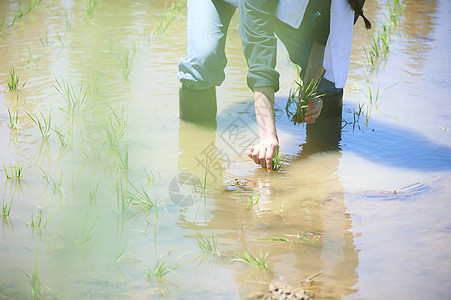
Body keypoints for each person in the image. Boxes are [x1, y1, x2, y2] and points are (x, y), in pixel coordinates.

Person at [177, 0, 370, 171]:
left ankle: (323, 167)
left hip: (282, 5)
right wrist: (268, 135)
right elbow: (260, 57)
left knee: (327, 81)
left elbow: (328, 35)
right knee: (202, 63)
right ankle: (193, 160)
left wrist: (311, 91)